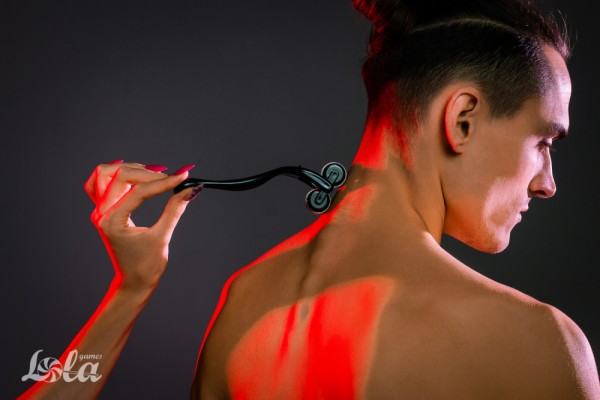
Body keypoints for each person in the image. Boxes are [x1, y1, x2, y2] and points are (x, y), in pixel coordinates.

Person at [20, 0, 600, 399]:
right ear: (463, 119)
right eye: (544, 142)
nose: (547, 182)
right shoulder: (537, 346)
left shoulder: (242, 302)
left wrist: (130, 289)